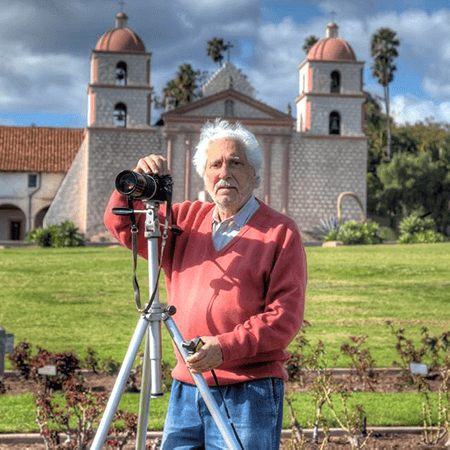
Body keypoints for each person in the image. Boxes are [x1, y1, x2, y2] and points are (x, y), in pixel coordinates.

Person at [104, 119, 307, 449]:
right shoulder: (184, 220)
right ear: (205, 174)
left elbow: (283, 318)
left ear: (254, 174)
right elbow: (122, 225)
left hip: (249, 389)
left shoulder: (280, 232)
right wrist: (137, 180)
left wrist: (225, 348)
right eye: (216, 164)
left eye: (235, 163)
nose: (224, 172)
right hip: (189, 384)